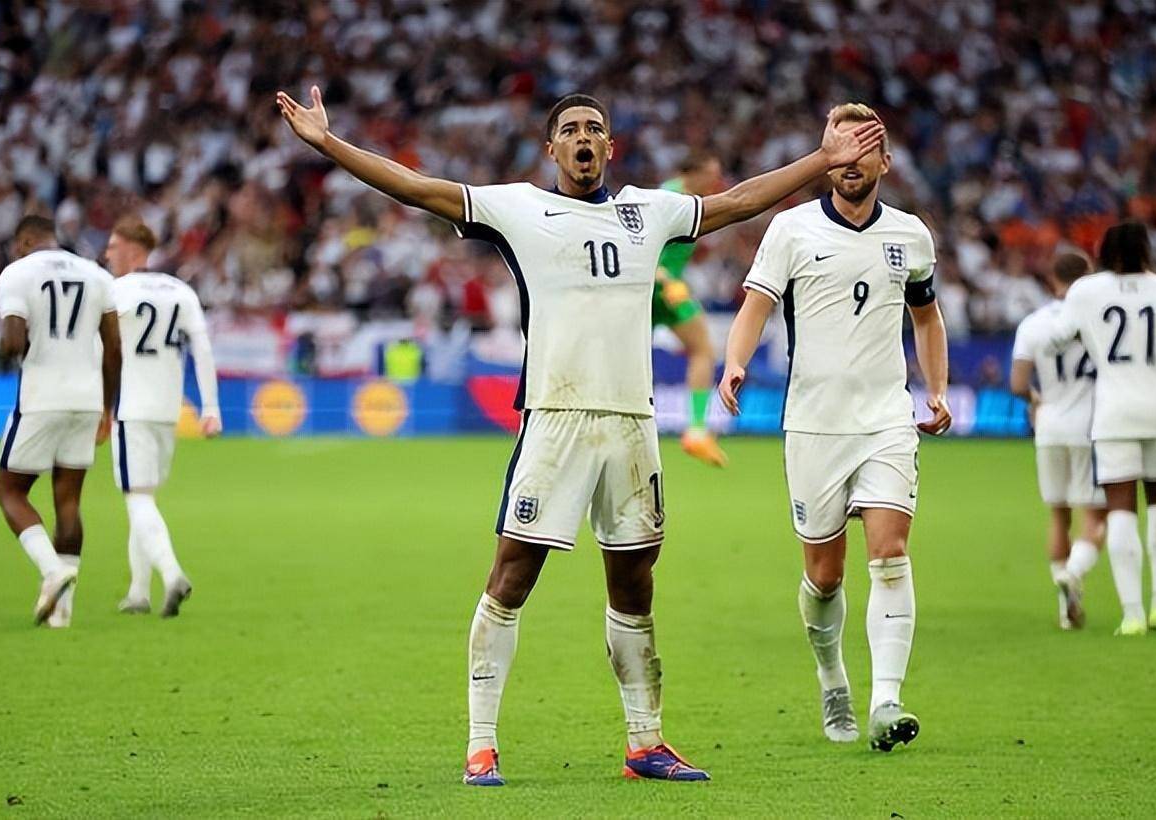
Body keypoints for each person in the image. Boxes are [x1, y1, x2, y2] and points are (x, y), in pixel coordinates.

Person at [277, 85, 884, 784]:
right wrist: (329, 144)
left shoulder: (648, 212)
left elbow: (738, 202)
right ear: (552, 148)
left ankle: (644, 743)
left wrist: (819, 159)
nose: (584, 137)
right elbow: (417, 188)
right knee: (511, 576)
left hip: (631, 425)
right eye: (570, 129)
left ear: (611, 146)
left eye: (595, 127)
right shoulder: (517, 208)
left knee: (634, 584)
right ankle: (481, 744)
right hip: (555, 420)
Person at [718, 103, 951, 752]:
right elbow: (755, 306)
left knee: (890, 555)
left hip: (886, 421)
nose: (851, 163)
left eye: (863, 150)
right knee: (824, 575)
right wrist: (735, 363)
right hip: (814, 426)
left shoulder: (911, 235)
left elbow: (927, 317)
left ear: (885, 161)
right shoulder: (791, 229)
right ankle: (832, 679)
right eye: (840, 151)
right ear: (827, 160)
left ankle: (886, 701)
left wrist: (936, 387)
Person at [1047, 222, 1156, 636]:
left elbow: (1057, 338)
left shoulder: (1087, 290)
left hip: (1114, 410)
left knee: (1120, 509)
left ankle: (1132, 614)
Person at [0, 215, 121, 627]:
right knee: (68, 501)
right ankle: (61, 614)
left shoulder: (17, 273)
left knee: (10, 492)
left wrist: (5, 350)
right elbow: (114, 348)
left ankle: (53, 571)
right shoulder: (96, 275)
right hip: (87, 399)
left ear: (25, 241)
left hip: (40, 397)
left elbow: (13, 341)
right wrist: (107, 407)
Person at [105, 217, 221, 618]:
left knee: (137, 497)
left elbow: (101, 349)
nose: (107, 254)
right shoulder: (179, 290)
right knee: (144, 498)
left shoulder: (117, 291)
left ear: (133, 250)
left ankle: (172, 575)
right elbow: (202, 349)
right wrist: (211, 408)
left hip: (131, 406)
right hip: (168, 409)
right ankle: (138, 592)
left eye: (113, 246)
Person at [1010, 252, 1107, 629]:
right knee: (1095, 517)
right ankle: (1073, 574)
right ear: (1088, 277)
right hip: (1092, 426)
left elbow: (1018, 383)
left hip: (1049, 425)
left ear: (1052, 280)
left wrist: (1037, 402)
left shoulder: (1033, 324)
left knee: (1058, 514)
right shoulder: (1099, 318)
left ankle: (1065, 611)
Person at [653, 153, 728, 466]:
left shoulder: (695, 202)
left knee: (703, 350)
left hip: (669, 291)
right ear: (693, 173)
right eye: (711, 174)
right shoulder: (667, 199)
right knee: (625, 360)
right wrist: (666, 279)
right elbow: (641, 249)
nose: (716, 182)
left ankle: (696, 431)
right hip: (649, 289)